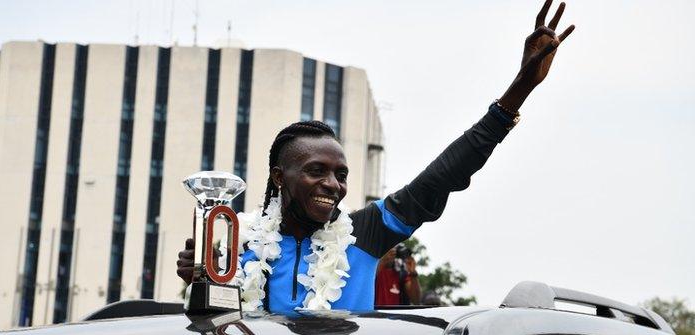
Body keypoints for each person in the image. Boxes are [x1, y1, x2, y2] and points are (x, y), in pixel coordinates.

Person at [178, 0, 575, 312]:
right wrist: (202, 277)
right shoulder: (241, 243)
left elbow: (442, 176)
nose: (333, 185)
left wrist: (517, 92)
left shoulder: (366, 233)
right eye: (317, 171)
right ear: (279, 177)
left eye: (341, 174)